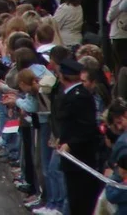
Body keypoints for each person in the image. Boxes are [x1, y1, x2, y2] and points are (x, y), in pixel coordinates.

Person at [53, 58, 101, 214]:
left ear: (62, 76)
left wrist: (70, 144)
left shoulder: (79, 97)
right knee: (74, 198)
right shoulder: (72, 94)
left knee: (81, 200)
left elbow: (86, 128)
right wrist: (62, 138)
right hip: (72, 157)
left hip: (81, 157)